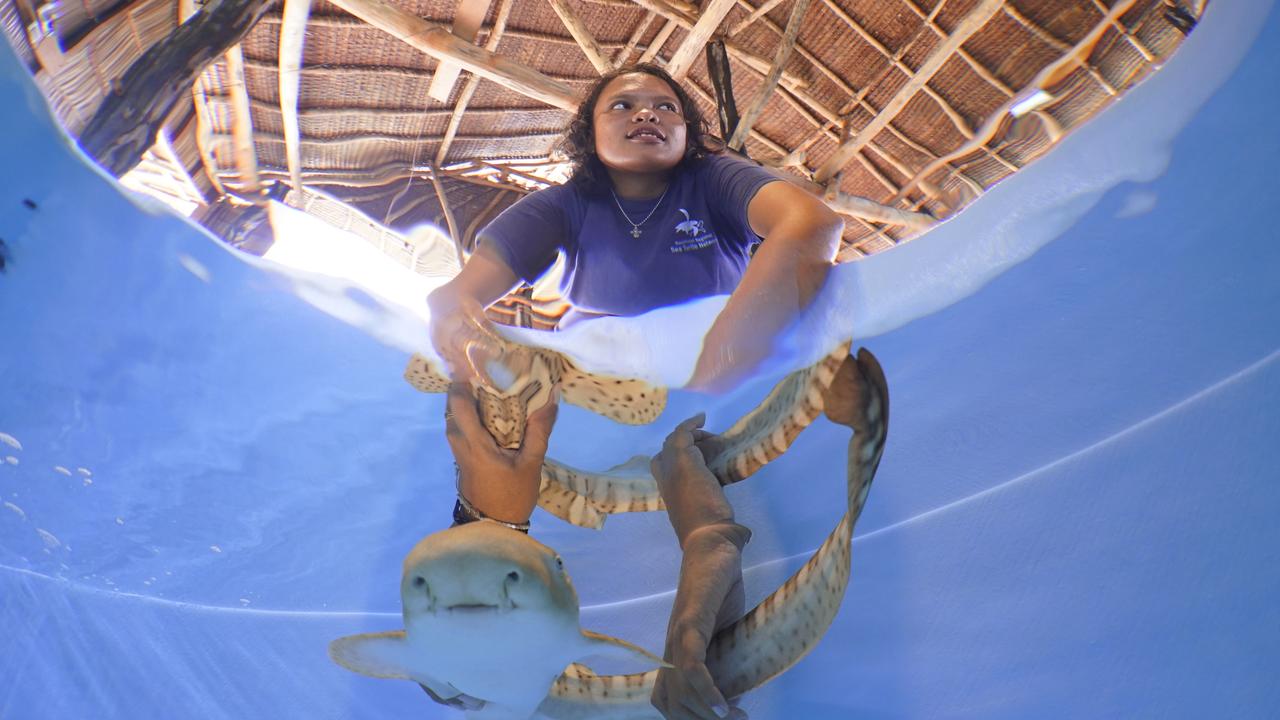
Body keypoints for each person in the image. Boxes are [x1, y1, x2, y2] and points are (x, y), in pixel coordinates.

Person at [427, 63, 842, 392]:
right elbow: (456, 297)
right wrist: (464, 331)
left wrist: (726, 351)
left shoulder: (714, 180)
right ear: (591, 133)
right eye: (622, 106)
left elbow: (813, 224)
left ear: (686, 133)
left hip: (719, 380)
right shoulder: (563, 205)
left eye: (667, 107)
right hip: (592, 387)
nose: (647, 112)